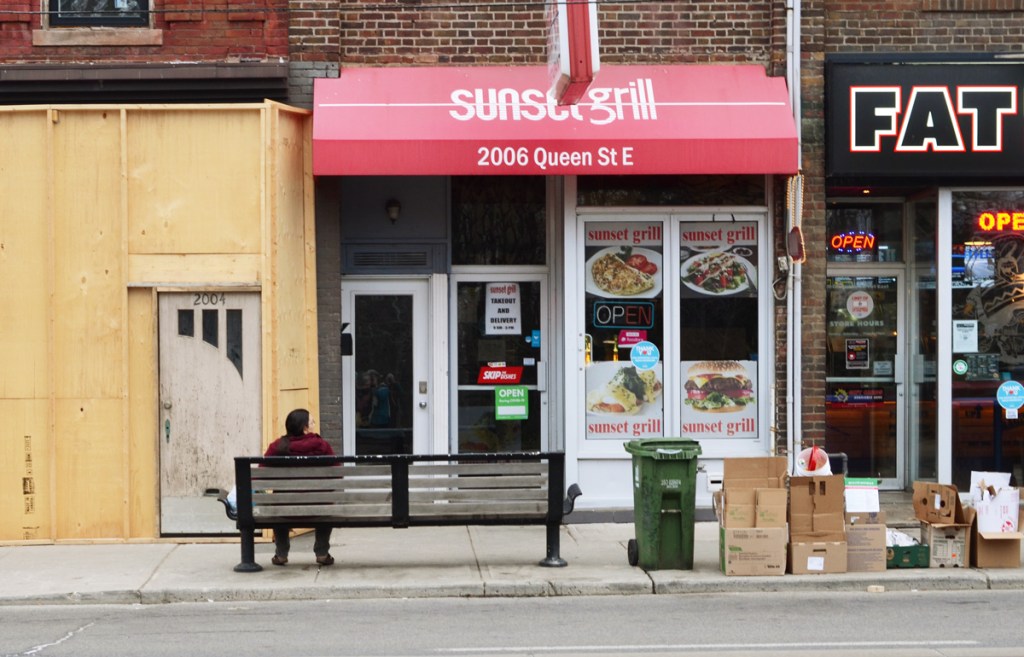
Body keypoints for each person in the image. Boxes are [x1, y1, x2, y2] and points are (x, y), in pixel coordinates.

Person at [263, 408, 335, 566]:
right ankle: (322, 552)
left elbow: (263, 474)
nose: (315, 424)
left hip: (285, 508)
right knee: (326, 503)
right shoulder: (322, 446)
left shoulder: (277, 446)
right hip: (318, 508)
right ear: (305, 427)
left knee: (278, 503)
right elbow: (337, 473)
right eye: (312, 422)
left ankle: (281, 554)